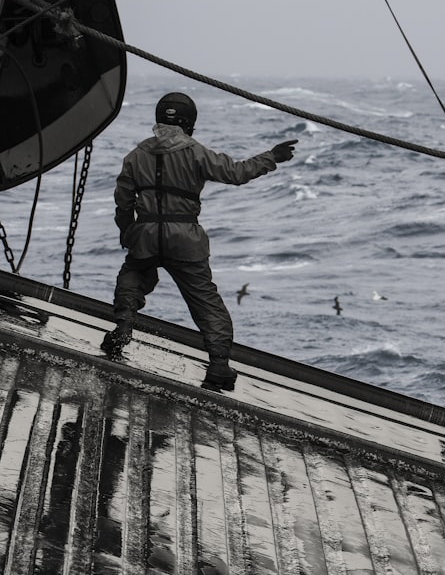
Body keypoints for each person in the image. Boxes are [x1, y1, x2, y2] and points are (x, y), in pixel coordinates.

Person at [100, 91, 298, 391]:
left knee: (133, 276)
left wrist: (129, 233)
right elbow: (237, 173)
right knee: (206, 302)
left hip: (147, 235)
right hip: (185, 239)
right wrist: (272, 157)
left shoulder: (135, 155)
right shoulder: (196, 153)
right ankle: (218, 364)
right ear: (189, 123)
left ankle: (123, 326)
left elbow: (123, 202)